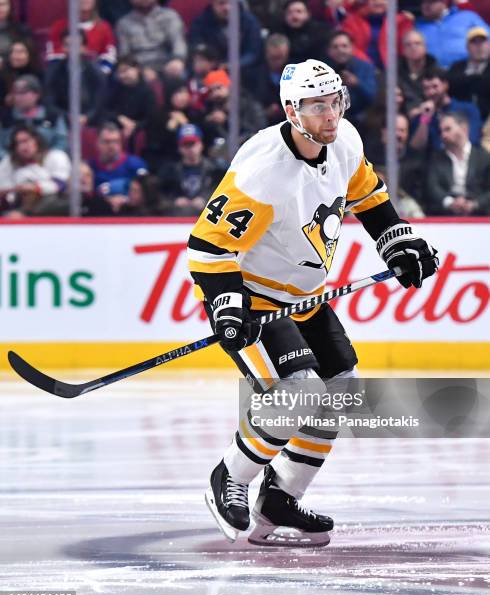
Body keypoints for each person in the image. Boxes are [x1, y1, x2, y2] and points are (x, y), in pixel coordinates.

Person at [187, 59, 438, 546]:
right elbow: (208, 245)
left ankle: (279, 498)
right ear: (291, 110)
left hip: (306, 299)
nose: (330, 115)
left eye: (335, 102)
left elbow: (368, 195)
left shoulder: (344, 141)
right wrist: (226, 305)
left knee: (341, 391)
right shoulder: (263, 170)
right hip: (257, 302)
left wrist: (399, 242)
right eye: (317, 106)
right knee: (300, 393)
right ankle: (230, 479)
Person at [426, 111, 490, 215]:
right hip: (444, 216)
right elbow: (432, 187)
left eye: (448, 129)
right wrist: (451, 202)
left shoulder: (483, 157)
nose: (443, 135)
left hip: (479, 216)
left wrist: (475, 204)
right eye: (441, 131)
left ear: (464, 128)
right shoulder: (436, 158)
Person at [0, 125, 70, 216]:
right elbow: (4, 190)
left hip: (53, 204)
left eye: (25, 141)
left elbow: (60, 185)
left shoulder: (56, 156)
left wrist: (35, 187)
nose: (22, 147)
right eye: (17, 143)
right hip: (19, 206)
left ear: (36, 140)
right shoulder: (9, 162)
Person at [409, 67, 482, 153]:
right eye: (426, 88)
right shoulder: (423, 115)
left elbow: (473, 140)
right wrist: (425, 118)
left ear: (445, 85)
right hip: (433, 163)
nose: (431, 92)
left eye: (435, 86)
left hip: (466, 159)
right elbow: (416, 148)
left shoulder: (468, 109)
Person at [44, 30, 107, 127]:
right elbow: (50, 104)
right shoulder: (54, 72)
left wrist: (87, 117)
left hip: (93, 123)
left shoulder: (96, 72)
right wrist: (69, 117)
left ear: (84, 48)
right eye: (67, 45)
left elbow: (99, 103)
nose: (71, 49)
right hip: (63, 124)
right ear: (62, 47)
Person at [158, 123, 223, 216]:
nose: (190, 149)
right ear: (179, 148)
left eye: (192, 144)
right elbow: (161, 195)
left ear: (201, 144)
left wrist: (206, 200)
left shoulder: (216, 170)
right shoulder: (169, 172)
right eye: (185, 145)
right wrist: (174, 201)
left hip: (207, 219)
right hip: (177, 220)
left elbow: (222, 192)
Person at [189, 0, 263, 82]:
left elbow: (253, 52)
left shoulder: (249, 22)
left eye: (230, 3)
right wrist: (211, 63)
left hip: (244, 72)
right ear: (213, 4)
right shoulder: (201, 23)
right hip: (211, 70)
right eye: (221, 3)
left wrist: (233, 65)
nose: (227, 8)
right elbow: (197, 47)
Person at [0, 75, 69, 157]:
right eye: (16, 93)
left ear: (36, 94)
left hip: (46, 160)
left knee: (59, 157)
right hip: (13, 161)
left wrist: (46, 157)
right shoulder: (5, 117)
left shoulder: (52, 116)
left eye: (23, 93)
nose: (18, 97)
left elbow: (62, 141)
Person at [46, 0, 117, 74]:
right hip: (64, 79)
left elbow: (108, 57)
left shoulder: (104, 28)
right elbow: (53, 57)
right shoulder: (58, 27)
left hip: (96, 79)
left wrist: (96, 76)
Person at [340, 0, 414, 69]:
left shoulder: (402, 22)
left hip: (392, 72)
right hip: (361, 69)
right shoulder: (351, 22)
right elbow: (351, 49)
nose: (379, 1)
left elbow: (404, 51)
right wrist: (369, 66)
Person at [415, 0, 489, 69]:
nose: (426, 5)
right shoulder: (416, 25)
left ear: (444, 3)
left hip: (468, 71)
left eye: (431, 2)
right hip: (432, 74)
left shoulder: (467, 16)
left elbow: (487, 36)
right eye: (423, 2)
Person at [115, 0, 187, 71]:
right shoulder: (123, 23)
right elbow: (124, 54)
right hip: (138, 68)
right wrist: (141, 70)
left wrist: (178, 59)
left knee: (177, 69)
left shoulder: (170, 16)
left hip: (166, 63)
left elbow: (178, 42)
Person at [89, 122, 148, 206]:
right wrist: (107, 201)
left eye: (115, 141)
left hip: (131, 213)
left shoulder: (136, 164)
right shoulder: (89, 168)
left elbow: (146, 194)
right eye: (107, 142)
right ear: (97, 143)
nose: (111, 146)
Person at [325, 30, 377, 124]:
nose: (340, 50)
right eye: (335, 47)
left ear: (352, 48)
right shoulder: (323, 70)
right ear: (329, 51)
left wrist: (357, 83)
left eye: (344, 46)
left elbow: (373, 97)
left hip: (360, 117)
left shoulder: (365, 67)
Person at [447, 27, 490, 122]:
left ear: (488, 45)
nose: (479, 46)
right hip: (460, 117)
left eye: (482, 42)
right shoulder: (457, 67)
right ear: (467, 47)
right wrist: (477, 79)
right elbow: (451, 84)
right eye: (474, 42)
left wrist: (468, 79)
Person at [272, 0, 332, 65]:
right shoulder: (278, 32)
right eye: (289, 12)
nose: (294, 16)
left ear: (308, 14)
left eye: (299, 11)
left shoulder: (320, 32)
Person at [252, 34, 291, 126]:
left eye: (281, 57)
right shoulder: (254, 75)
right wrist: (264, 112)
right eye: (273, 58)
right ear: (266, 53)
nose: (277, 62)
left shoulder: (295, 73)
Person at [398, 30, 439, 117]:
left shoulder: (438, 73)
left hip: (430, 118)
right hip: (402, 121)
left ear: (425, 47)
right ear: (403, 50)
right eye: (408, 45)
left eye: (417, 43)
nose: (413, 47)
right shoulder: (394, 75)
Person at [0, 38, 43, 103]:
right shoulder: (2, 75)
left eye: (20, 52)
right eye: (12, 52)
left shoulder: (39, 75)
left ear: (30, 55)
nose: (14, 56)